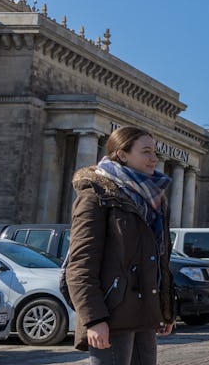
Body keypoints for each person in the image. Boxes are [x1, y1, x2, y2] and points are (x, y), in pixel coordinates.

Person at [64, 125, 174, 364]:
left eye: (154, 151)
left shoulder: (155, 200)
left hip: (144, 315)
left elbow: (160, 261)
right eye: (145, 151)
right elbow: (80, 265)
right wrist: (94, 320)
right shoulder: (96, 195)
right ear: (122, 154)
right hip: (111, 317)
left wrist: (165, 310)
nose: (154, 158)